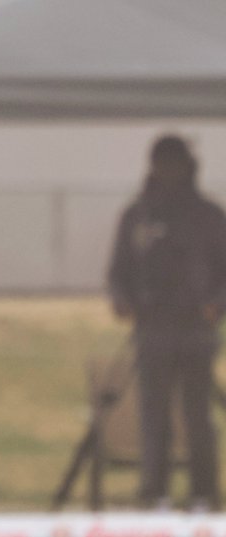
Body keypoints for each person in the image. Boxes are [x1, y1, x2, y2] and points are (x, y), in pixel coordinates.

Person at [108, 134, 226, 512]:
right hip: (153, 329)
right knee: (154, 416)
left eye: (175, 163)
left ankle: (203, 493)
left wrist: (216, 305)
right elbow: (118, 271)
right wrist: (123, 301)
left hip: (196, 331)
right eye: (163, 163)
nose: (169, 171)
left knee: (198, 416)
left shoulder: (209, 216)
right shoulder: (138, 216)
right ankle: (154, 493)